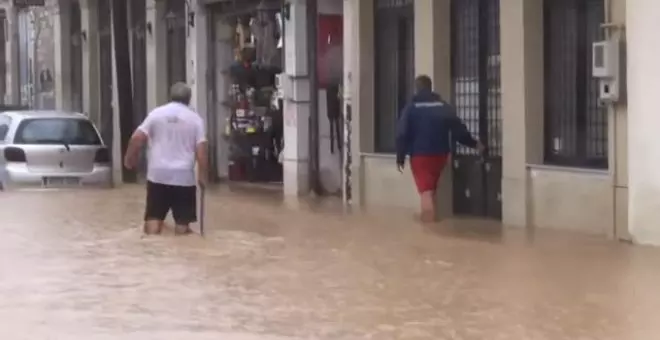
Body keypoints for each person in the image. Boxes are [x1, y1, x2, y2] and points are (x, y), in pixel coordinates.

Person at [396, 75, 484, 223]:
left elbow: (402, 134)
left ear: (416, 88)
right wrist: (475, 144)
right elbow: (458, 130)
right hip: (441, 155)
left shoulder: (411, 108)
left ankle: (429, 235)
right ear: (430, 87)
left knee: (426, 192)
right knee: (431, 191)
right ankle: (434, 223)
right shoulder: (443, 106)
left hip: (420, 156)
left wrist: (400, 156)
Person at [124, 82, 208, 235]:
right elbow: (201, 151)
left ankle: (152, 251)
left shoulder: (156, 114)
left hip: (158, 174)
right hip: (183, 177)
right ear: (189, 99)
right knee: (182, 225)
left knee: (153, 219)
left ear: (170, 96)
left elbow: (136, 138)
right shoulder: (195, 119)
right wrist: (203, 176)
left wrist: (129, 159)